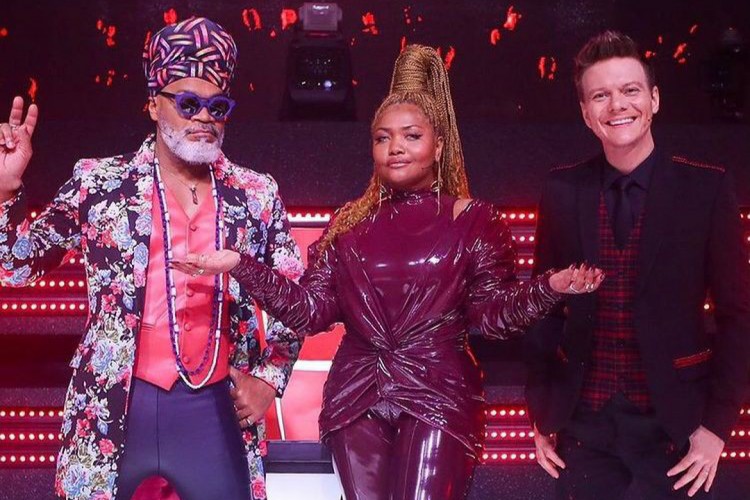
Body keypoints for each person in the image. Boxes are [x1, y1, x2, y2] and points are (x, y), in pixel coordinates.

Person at [173, 44, 602, 500]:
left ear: (438, 145)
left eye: (411, 136)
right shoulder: (348, 225)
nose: (395, 147)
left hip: (438, 394)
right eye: (383, 138)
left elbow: (492, 316)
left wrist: (549, 288)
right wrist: (241, 265)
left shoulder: (474, 219)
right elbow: (311, 312)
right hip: (356, 396)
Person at [0, 16, 302, 500]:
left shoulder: (256, 194)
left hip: (213, 409)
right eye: (188, 104)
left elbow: (298, 298)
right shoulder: (99, 183)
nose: (204, 118)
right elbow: (14, 267)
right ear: (153, 104)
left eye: (217, 106)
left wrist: (269, 377)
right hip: (113, 405)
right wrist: (5, 189)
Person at [524, 30, 750, 499]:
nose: (617, 106)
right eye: (600, 96)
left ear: (654, 99)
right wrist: (542, 410)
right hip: (582, 429)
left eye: (629, 90)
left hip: (677, 430)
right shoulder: (562, 191)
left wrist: (717, 426)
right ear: (586, 113)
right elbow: (542, 307)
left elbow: (738, 315)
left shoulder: (706, 189)